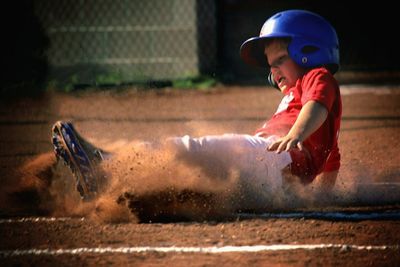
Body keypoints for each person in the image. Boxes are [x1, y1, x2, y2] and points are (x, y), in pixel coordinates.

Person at [51, 9, 342, 219]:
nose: (273, 71)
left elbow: (315, 106)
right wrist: (320, 197)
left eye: (280, 60)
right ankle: (133, 192)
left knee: (190, 150)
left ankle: (105, 167)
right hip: (275, 178)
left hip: (271, 156)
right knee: (200, 182)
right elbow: (332, 158)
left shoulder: (316, 77)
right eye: (270, 64)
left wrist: (295, 134)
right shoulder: (304, 100)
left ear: (310, 52)